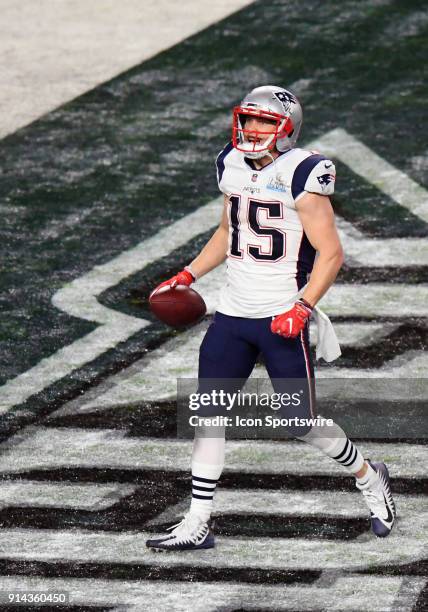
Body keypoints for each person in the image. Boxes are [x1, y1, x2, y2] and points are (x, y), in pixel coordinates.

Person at [146, 85, 396, 551]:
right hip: (232, 315)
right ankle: (198, 520)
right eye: (248, 118)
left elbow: (331, 252)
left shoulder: (303, 171)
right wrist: (188, 273)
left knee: (300, 422)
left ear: (287, 129)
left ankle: (368, 475)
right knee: (208, 415)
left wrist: (301, 308)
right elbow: (228, 230)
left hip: (281, 315)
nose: (253, 129)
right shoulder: (230, 162)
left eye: (264, 121)